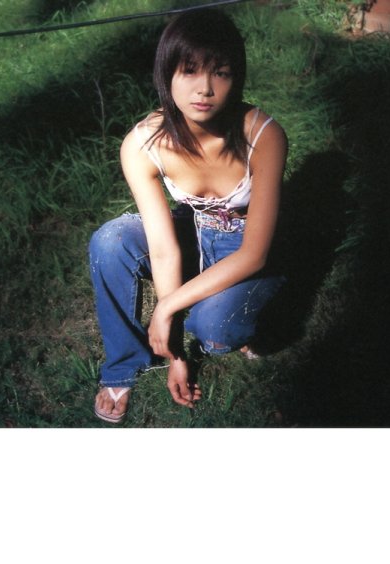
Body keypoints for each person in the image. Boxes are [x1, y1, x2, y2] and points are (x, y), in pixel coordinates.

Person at [89, 7, 287, 423]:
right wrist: (176, 356)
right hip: (194, 232)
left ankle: (251, 319)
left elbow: (254, 255)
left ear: (237, 78)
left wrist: (166, 310)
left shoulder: (263, 135)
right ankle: (123, 365)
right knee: (111, 240)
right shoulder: (143, 143)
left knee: (213, 329)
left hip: (250, 247)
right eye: (190, 70)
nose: (205, 89)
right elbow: (163, 250)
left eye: (221, 73)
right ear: (167, 74)